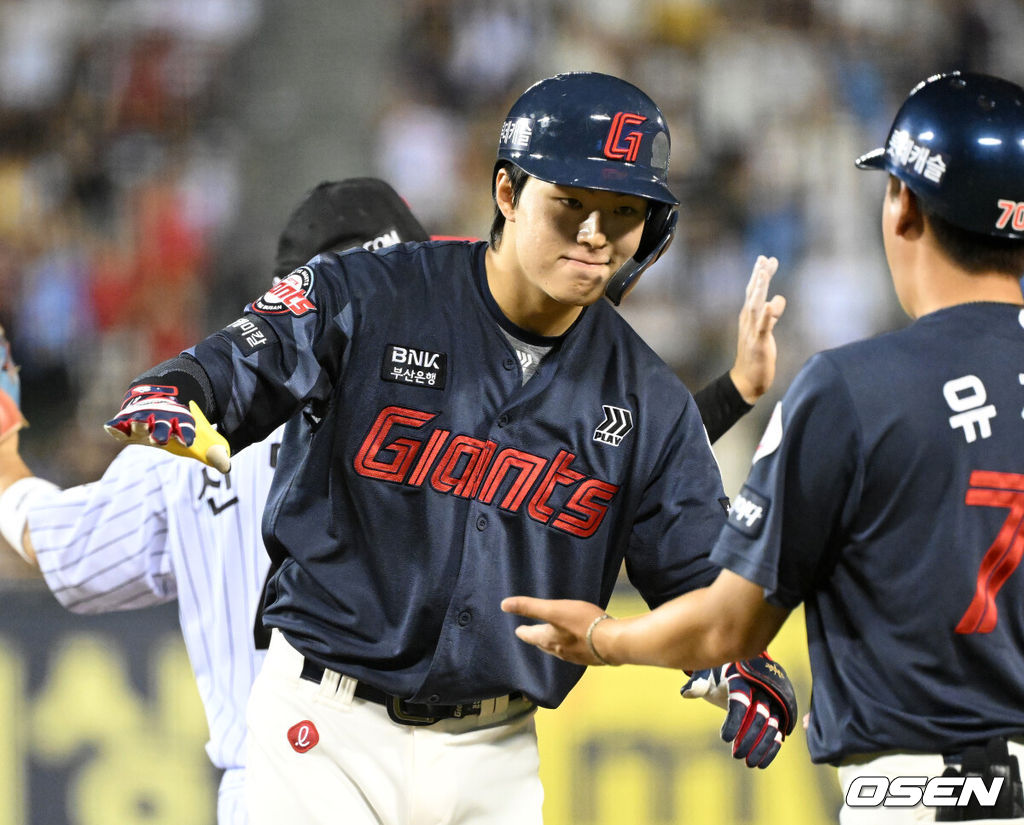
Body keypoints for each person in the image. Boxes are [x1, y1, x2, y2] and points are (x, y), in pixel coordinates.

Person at [102, 72, 795, 825]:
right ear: (508, 192)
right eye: (571, 202)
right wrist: (183, 386)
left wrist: (741, 655)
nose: (596, 233)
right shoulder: (372, 292)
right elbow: (252, 354)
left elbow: (696, 571)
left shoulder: (650, 399)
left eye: (623, 210)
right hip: (325, 728)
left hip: (496, 752)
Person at [502, 71, 1024, 824]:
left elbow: (729, 625)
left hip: (933, 791)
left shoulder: (859, 389)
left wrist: (603, 636)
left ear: (902, 204)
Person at [0, 178, 434, 825]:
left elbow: (66, 549)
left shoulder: (190, 425)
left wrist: (5, 450)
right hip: (431, 781)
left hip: (275, 791)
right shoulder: (471, 418)